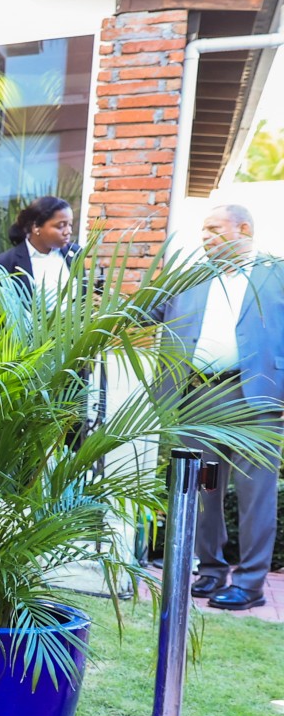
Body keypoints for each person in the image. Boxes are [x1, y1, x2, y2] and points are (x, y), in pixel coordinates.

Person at [149, 203, 284, 611]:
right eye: (203, 230)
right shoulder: (190, 277)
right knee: (204, 488)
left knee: (254, 492)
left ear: (244, 229)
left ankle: (251, 583)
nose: (205, 237)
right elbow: (146, 312)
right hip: (198, 399)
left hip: (255, 399)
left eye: (214, 229)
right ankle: (210, 569)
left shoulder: (277, 273)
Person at [0, 196, 75, 299]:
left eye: (70, 225)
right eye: (61, 226)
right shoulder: (4, 264)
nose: (68, 231)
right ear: (36, 227)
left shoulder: (74, 253)